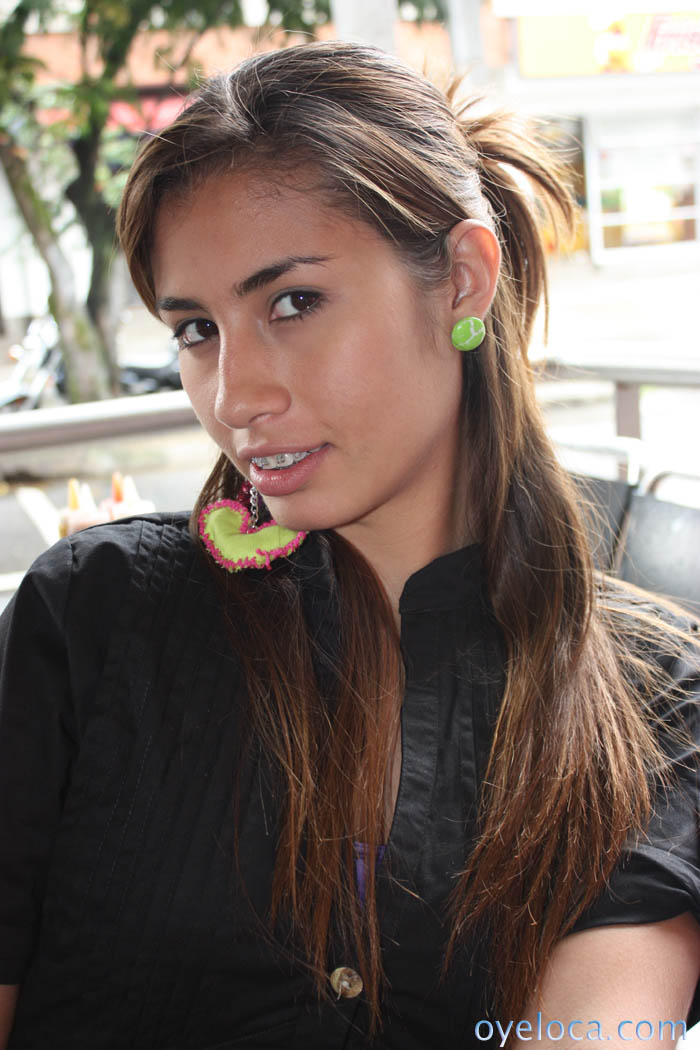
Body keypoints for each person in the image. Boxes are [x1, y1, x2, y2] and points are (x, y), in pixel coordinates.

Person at [0, 40, 699, 1050]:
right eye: (196, 330)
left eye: (293, 303)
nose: (234, 396)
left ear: (461, 281)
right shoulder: (90, 621)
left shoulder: (648, 703)